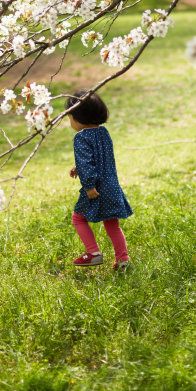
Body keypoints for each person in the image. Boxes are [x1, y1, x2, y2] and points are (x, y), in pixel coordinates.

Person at [66, 90, 133, 270]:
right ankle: (123, 259)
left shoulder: (80, 137)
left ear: (77, 117)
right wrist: (77, 166)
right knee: (112, 224)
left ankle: (93, 253)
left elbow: (87, 162)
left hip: (96, 187)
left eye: (70, 117)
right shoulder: (103, 132)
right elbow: (99, 157)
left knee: (78, 218)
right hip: (112, 185)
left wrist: (88, 186)